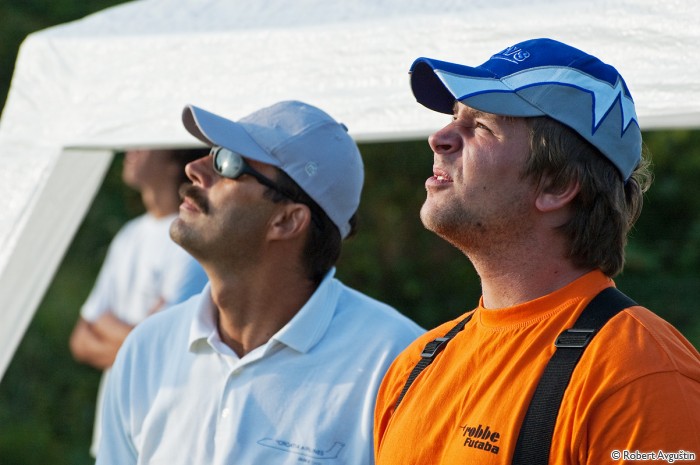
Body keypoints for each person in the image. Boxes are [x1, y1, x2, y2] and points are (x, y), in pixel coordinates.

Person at [374, 38, 700, 464]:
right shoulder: (415, 365)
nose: (439, 138)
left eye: (481, 125)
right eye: (454, 117)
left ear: (557, 185)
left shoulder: (640, 375)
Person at [96, 100, 424, 464]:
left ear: (287, 221)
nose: (194, 168)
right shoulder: (147, 347)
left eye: (228, 162)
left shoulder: (396, 363)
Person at [69, 148, 209, 457]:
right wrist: (139, 339)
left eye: (145, 145)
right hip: (112, 431)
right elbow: (80, 340)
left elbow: (167, 346)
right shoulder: (128, 235)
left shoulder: (190, 240)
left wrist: (106, 323)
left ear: (173, 163)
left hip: (161, 434)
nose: (130, 150)